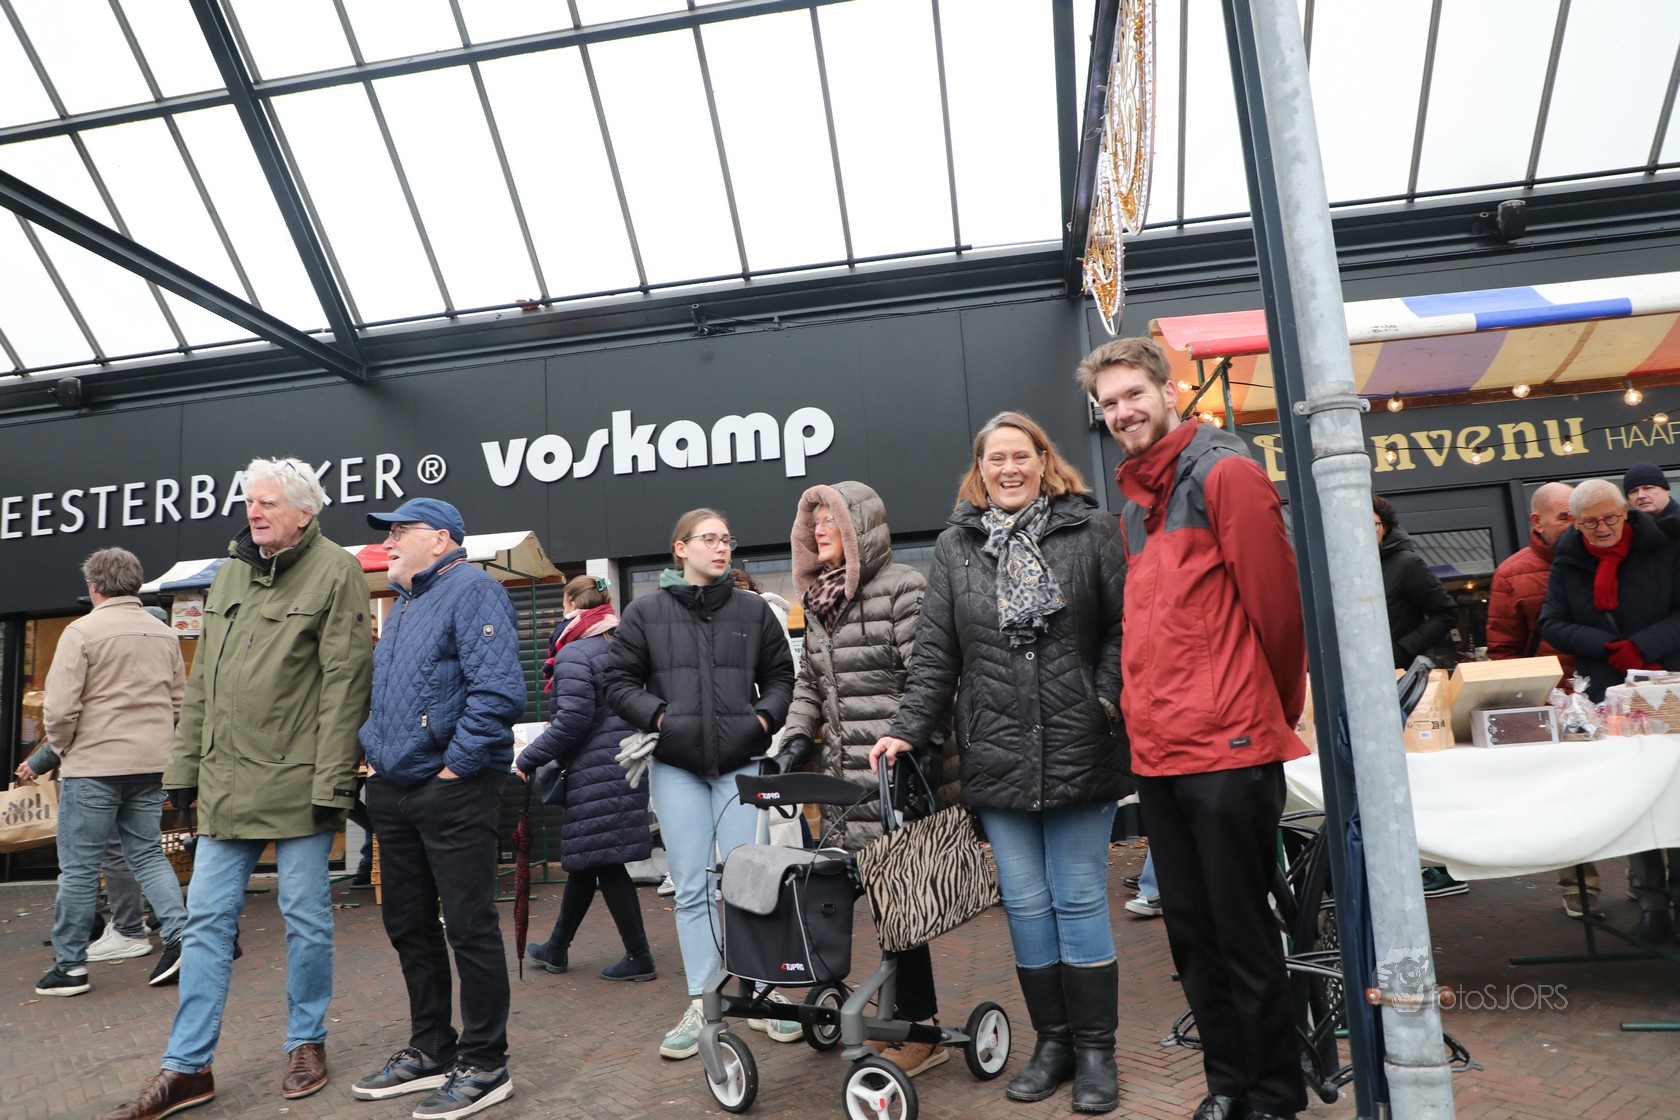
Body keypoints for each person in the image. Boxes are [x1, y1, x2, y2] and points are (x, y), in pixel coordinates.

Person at [871, 413, 1127, 1112]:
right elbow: (936, 653)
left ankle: (1096, 1051)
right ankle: (1054, 1043)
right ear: (979, 470)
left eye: (1021, 456)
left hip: (1080, 740)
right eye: (995, 459)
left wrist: (1104, 698)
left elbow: (1122, 629)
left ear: (1044, 460)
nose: (1008, 469)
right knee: (1026, 902)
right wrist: (906, 730)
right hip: (997, 748)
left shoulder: (1093, 531)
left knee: (1078, 897)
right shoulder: (957, 546)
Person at [104, 459, 373, 1120]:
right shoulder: (228, 572)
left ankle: (306, 1041)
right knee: (204, 925)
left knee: (305, 918)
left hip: (298, 783)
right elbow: (203, 684)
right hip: (226, 783)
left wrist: (333, 779)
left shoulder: (336, 570)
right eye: (250, 502)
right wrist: (183, 771)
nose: (254, 512)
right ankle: (187, 1067)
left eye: (269, 503)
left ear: (305, 513)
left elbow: (345, 683)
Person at [1082, 337, 1307, 1120]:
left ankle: (1274, 1094)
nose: (1122, 413)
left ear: (1168, 392)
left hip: (1229, 746)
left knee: (1243, 933)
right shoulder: (1133, 509)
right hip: (1160, 754)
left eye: (1132, 395)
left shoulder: (1225, 474)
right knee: (1190, 935)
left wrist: (1271, 713)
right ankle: (1228, 1085)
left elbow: (1278, 612)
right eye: (1109, 403)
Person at [354, 497, 527, 1119]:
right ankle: (431, 1047)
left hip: (453, 788)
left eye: (401, 530)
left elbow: (498, 692)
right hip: (395, 789)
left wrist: (454, 769)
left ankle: (484, 1063)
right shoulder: (403, 602)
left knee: (468, 925)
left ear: (441, 538)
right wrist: (375, 758)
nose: (389, 542)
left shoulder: (474, 589)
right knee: (408, 923)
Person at [604, 508, 797, 1061]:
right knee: (690, 887)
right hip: (675, 766)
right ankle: (703, 999)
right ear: (680, 548)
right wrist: (663, 720)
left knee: (749, 883)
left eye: (726, 539)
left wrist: (761, 722)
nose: (721, 548)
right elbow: (618, 681)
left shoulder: (753, 611)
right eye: (708, 539)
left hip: (741, 762)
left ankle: (760, 991)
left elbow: (781, 678)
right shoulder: (645, 612)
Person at [781, 481, 956, 1076]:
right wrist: (795, 738)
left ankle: (921, 1030)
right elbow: (810, 684)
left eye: (831, 519)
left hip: (896, 775)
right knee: (863, 900)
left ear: (860, 527)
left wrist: (918, 743)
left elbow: (930, 677)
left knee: (901, 903)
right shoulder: (819, 599)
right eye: (813, 521)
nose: (819, 529)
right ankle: (885, 1013)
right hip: (843, 781)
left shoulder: (903, 587)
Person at [26, 548, 187, 999]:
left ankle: (70, 966)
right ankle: (182, 937)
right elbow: (178, 704)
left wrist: (63, 748)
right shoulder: (164, 634)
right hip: (151, 765)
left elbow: (59, 708)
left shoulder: (82, 631)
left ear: (94, 586)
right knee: (148, 855)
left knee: (79, 869)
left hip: (94, 766)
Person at [1540, 478, 1680, 945]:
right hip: (1609, 694)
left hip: (1669, 688)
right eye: (1589, 522)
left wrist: (1642, 646)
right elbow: (1552, 624)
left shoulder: (1667, 544)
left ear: (1625, 512)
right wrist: (1605, 646)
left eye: (1610, 518)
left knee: (1675, 795)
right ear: (1575, 523)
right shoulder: (1568, 559)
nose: (1602, 529)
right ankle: (1651, 904)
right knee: (1635, 799)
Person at [517, 575, 657, 983]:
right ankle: (557, 947)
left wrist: (529, 755)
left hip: (596, 771)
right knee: (588, 858)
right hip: (625, 765)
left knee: (605, 862)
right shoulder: (624, 643)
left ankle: (639, 956)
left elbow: (573, 721)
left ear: (570, 604)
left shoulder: (575, 652)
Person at [1485, 483, 1591, 915]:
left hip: (1609, 698)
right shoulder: (1512, 574)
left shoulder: (1606, 559)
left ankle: (1647, 885)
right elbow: (1503, 652)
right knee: (1570, 800)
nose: (1574, 524)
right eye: (1564, 516)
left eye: (1577, 516)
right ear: (1537, 521)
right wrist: (1534, 704)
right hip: (1554, 707)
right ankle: (1580, 886)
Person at [1373, 495, 1458, 671]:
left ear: (1385, 527)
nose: (1363, 533)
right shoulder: (1338, 569)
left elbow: (1446, 613)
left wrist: (1403, 650)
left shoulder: (1406, 563)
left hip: (1396, 674)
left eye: (1373, 525)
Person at [1624, 462, 1679, 528]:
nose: (1640, 496)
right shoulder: (1627, 529)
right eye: (1633, 491)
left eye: (1648, 488)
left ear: (1666, 490)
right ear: (1629, 500)